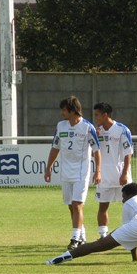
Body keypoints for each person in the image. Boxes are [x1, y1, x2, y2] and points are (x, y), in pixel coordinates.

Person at [44, 96, 101, 251]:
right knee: (71, 205)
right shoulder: (60, 126)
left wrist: (98, 171)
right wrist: (48, 167)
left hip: (82, 170)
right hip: (65, 171)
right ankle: (81, 234)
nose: (61, 113)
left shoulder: (87, 127)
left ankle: (75, 238)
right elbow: (55, 147)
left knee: (77, 204)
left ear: (72, 110)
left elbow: (96, 150)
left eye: (64, 110)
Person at [93, 102, 134, 239]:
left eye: (97, 115)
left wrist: (124, 173)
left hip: (121, 176)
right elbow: (91, 151)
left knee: (129, 205)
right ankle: (103, 235)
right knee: (103, 206)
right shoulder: (96, 131)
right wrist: (95, 137)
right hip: (104, 176)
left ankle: (131, 233)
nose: (95, 118)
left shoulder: (122, 129)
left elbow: (128, 153)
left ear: (105, 115)